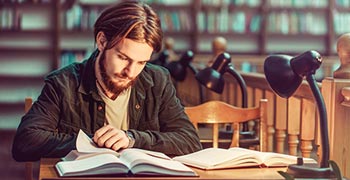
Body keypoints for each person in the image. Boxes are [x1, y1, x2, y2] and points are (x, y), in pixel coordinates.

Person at [12, 0, 202, 162]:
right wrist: (90, 143)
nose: (131, 72)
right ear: (102, 42)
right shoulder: (63, 83)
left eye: (142, 62)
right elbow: (24, 143)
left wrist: (132, 139)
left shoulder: (158, 80)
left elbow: (189, 141)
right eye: (123, 58)